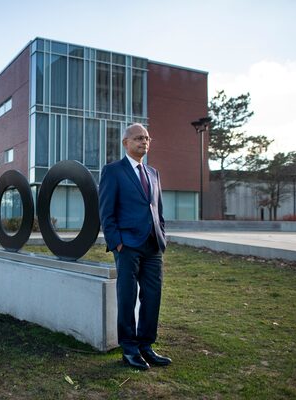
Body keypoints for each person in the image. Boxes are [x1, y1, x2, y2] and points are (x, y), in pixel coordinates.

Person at [98, 123, 171, 370]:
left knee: (152, 296)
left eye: (147, 138)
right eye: (139, 138)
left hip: (153, 245)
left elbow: (158, 210)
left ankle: (146, 346)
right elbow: (106, 212)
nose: (144, 142)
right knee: (127, 297)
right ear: (125, 143)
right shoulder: (113, 171)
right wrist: (116, 243)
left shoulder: (153, 173)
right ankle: (129, 349)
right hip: (127, 245)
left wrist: (162, 236)